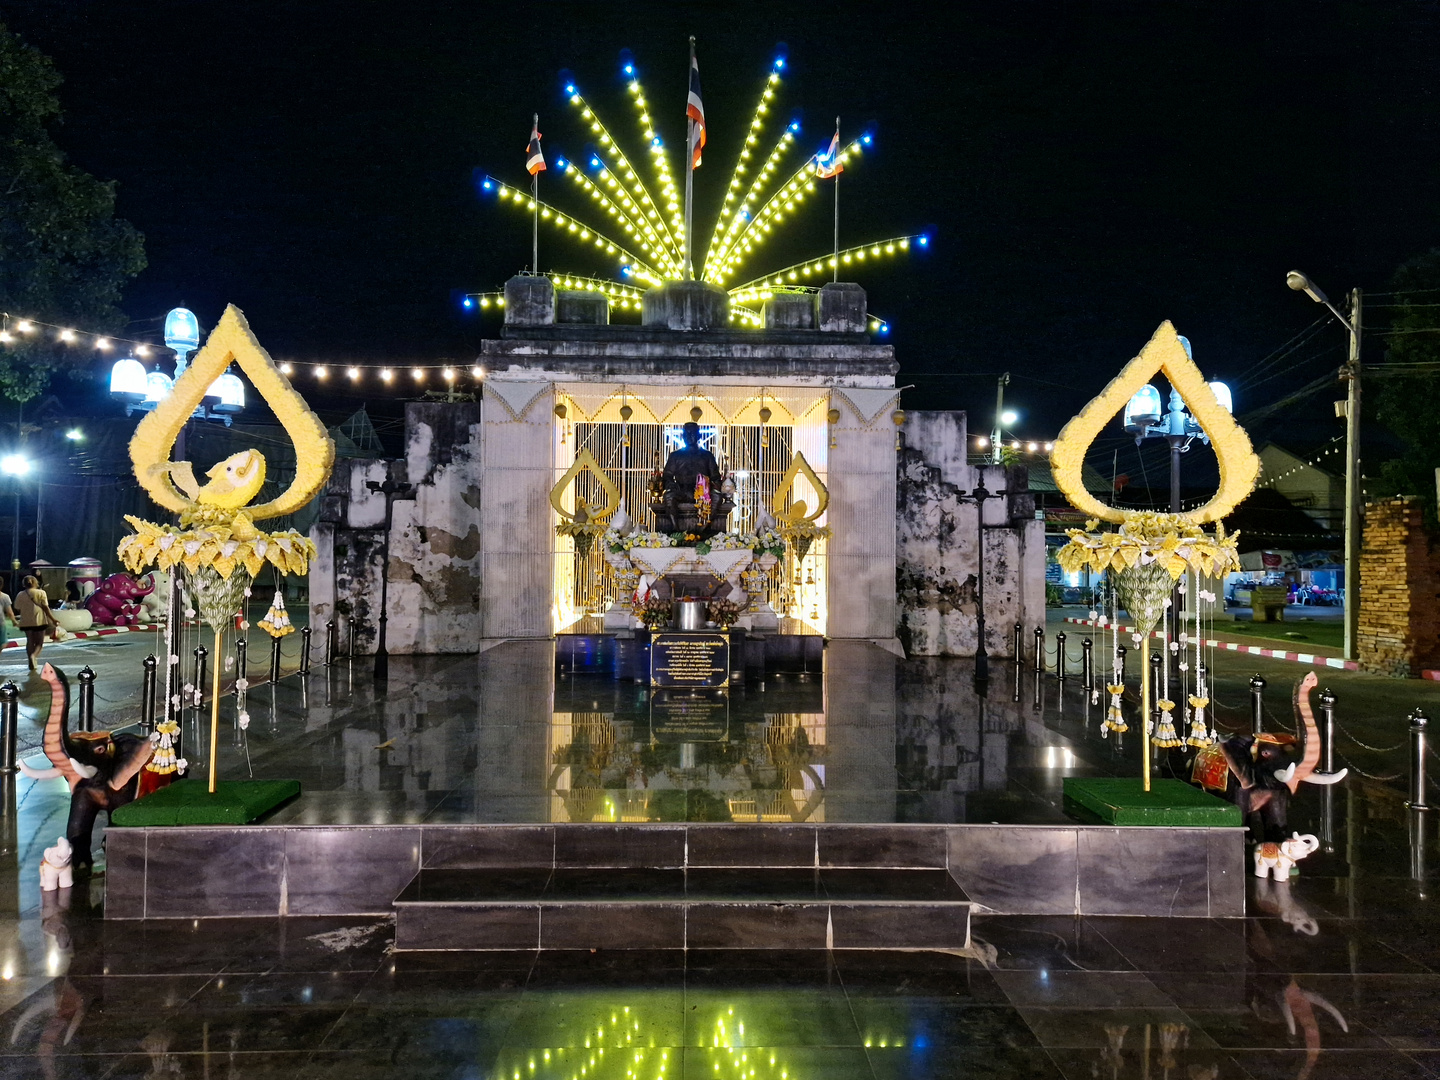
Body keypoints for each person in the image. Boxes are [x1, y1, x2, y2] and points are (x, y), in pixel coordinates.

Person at [15, 575, 57, 672]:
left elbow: (17, 607)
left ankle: (30, 658)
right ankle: (34, 656)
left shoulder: (20, 594)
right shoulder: (41, 593)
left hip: (25, 620)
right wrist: (53, 619)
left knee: (29, 640)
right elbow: (45, 607)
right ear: (35, 582)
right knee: (39, 642)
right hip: (39, 620)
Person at [0, 582, 13, 656]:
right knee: (3, 642)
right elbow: (9, 612)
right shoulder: (5, 596)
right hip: (1, 622)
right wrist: (14, 621)